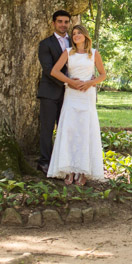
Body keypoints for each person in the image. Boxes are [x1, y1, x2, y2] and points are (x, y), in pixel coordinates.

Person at [47, 23, 106, 186]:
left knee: (85, 130)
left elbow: (103, 74)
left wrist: (90, 83)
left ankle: (83, 171)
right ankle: (70, 169)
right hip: (72, 94)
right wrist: (70, 82)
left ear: (85, 36)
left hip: (87, 95)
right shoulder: (68, 53)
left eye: (79, 33)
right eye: (74, 34)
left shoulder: (94, 54)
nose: (76, 35)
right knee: (70, 130)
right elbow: (55, 71)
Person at [36, 10, 76, 174]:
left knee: (66, 128)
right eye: (60, 21)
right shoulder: (45, 44)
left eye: (66, 22)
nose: (63, 25)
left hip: (70, 95)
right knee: (47, 128)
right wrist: (69, 83)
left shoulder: (74, 43)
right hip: (50, 92)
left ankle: (63, 161)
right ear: (53, 23)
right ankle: (44, 162)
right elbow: (48, 69)